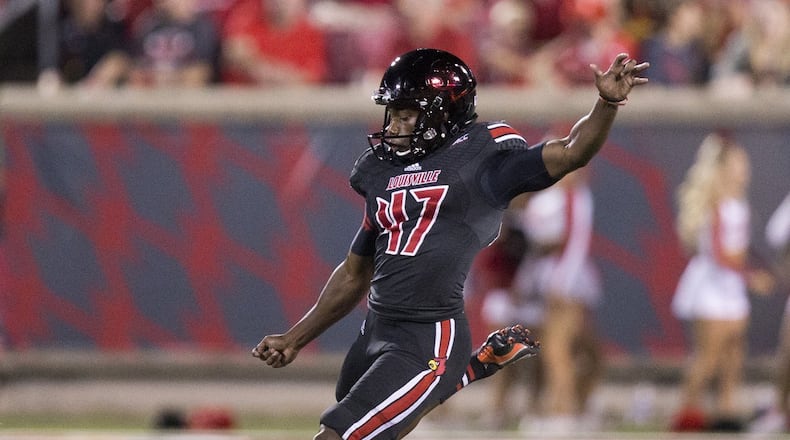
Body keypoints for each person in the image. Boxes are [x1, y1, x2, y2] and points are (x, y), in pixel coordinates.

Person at [253, 48, 649, 440]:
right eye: (392, 113)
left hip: (429, 334)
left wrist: (606, 103)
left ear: (441, 115)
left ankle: (454, 371)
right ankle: (465, 372)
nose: (393, 126)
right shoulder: (383, 173)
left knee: (337, 436)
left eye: (406, 115)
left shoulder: (481, 161)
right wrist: (295, 338)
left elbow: (571, 151)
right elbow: (355, 271)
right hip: (375, 329)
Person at [670, 133, 774, 432]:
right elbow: (718, 254)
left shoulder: (738, 204)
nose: (745, 168)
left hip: (732, 289)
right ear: (723, 167)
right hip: (711, 289)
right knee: (708, 357)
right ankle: (687, 416)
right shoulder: (714, 204)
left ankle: (726, 414)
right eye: (739, 163)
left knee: (733, 354)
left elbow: (738, 251)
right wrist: (751, 277)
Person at [514, 167, 603, 433]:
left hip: (566, 282)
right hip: (552, 280)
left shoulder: (575, 197)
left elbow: (574, 243)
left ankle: (565, 410)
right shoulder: (548, 199)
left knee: (559, 348)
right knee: (564, 348)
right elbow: (535, 246)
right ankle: (569, 407)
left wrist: (561, 282)